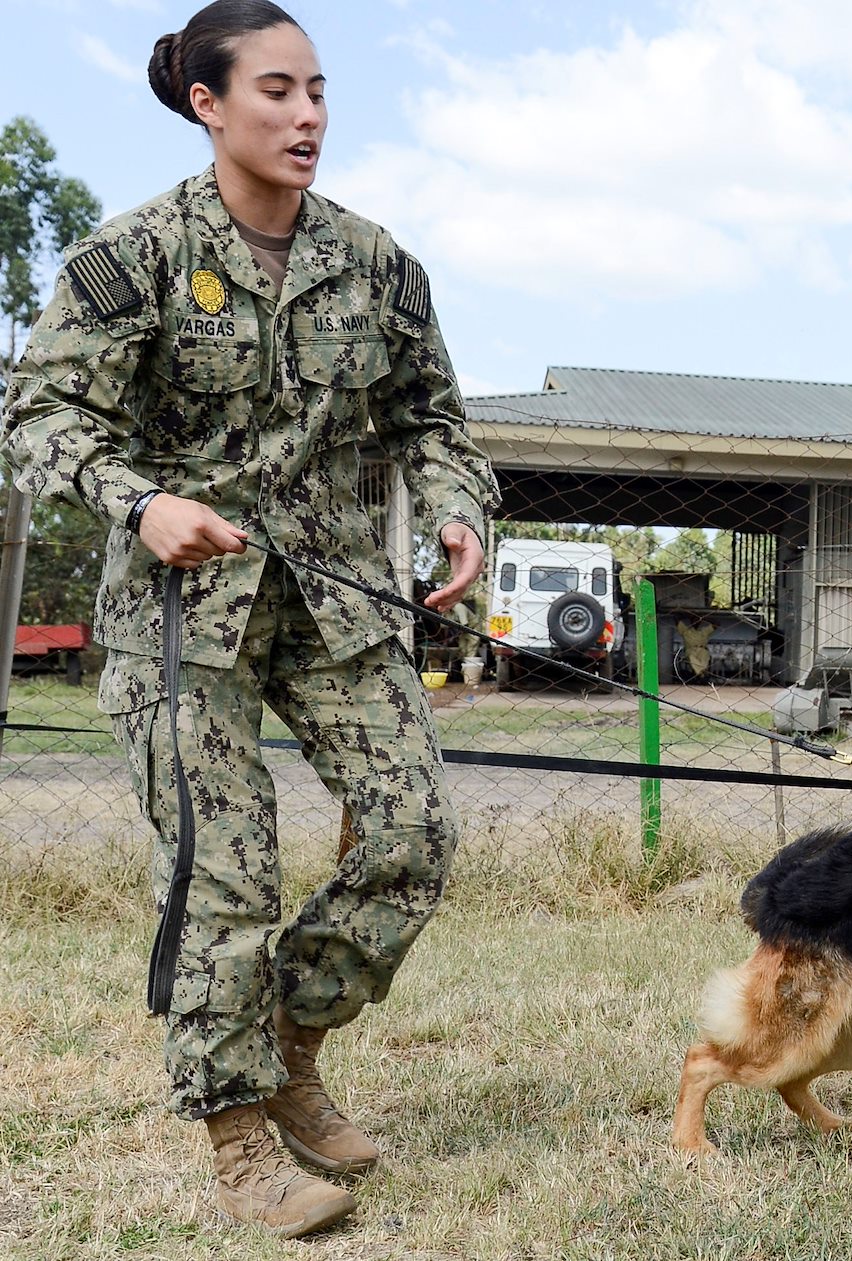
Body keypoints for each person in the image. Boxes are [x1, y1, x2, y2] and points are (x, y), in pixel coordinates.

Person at [2, 0, 497, 1239]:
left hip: (335, 599)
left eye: (319, 90)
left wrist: (455, 513)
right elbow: (38, 420)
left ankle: (288, 1040)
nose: (308, 115)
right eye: (276, 90)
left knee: (413, 832)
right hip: (185, 612)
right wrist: (142, 500)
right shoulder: (135, 258)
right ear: (207, 104)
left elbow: (433, 421)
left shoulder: (377, 264)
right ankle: (237, 1135)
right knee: (222, 870)